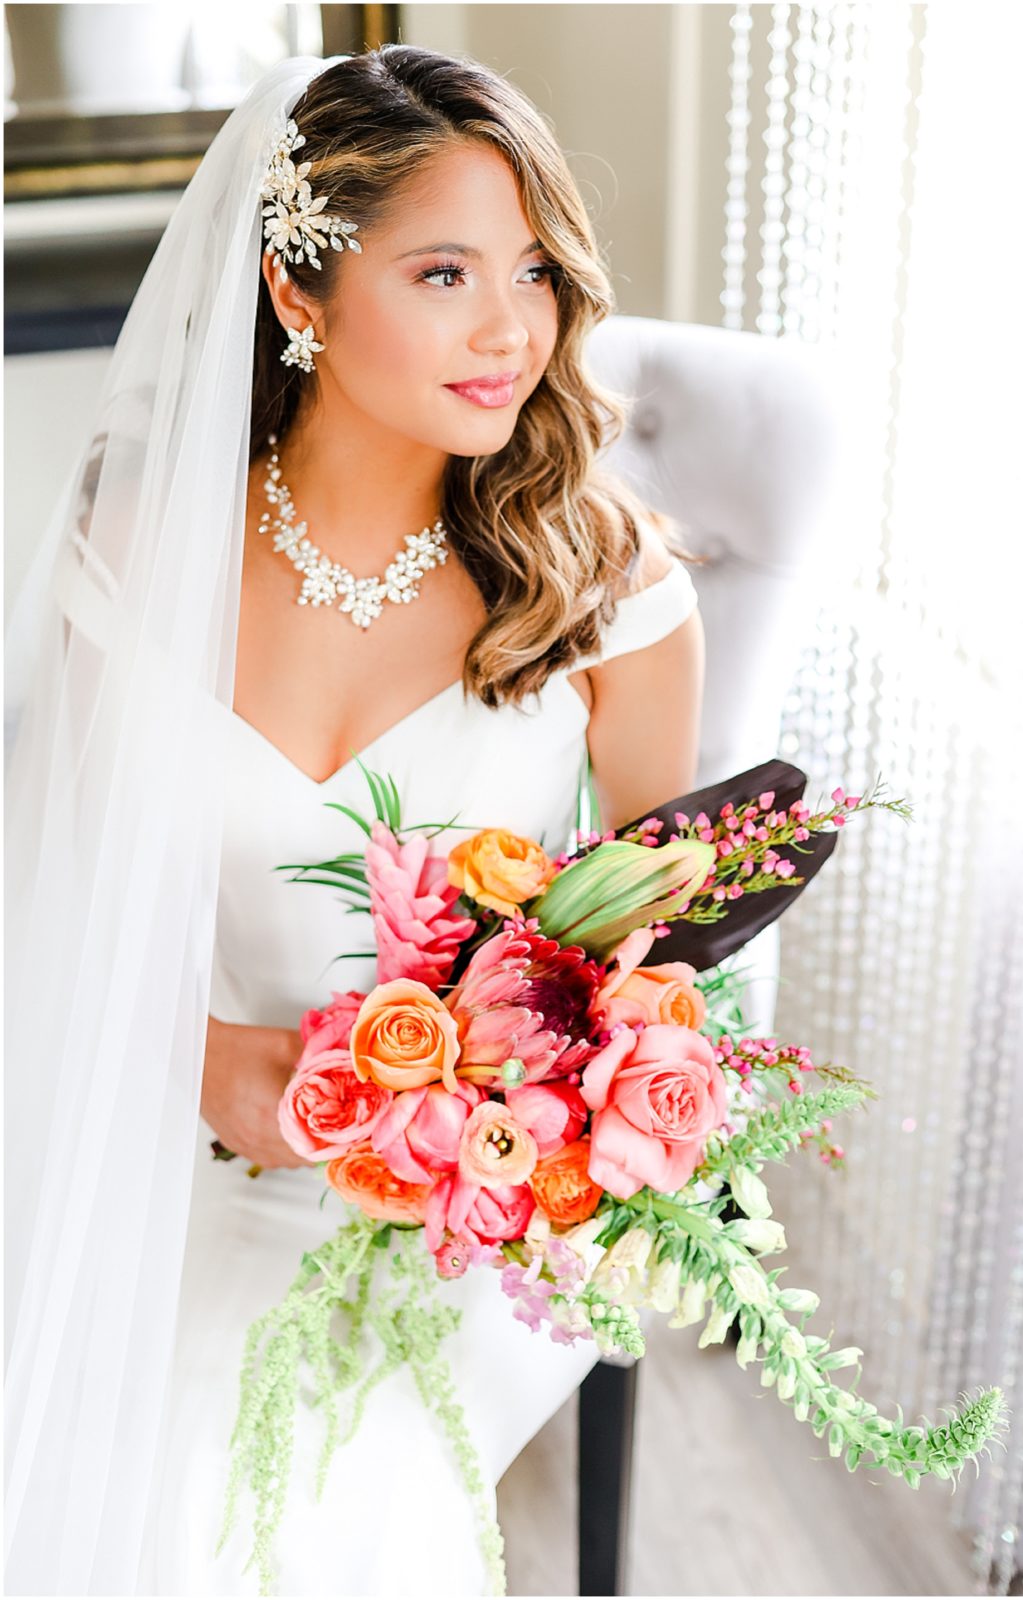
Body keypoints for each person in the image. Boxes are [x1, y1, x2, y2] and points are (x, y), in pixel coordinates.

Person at [4, 45, 703, 1595]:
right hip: (154, 1156)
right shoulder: (130, 551)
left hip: (463, 1228)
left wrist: (506, 1126)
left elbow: (665, 961)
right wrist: (201, 1072)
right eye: (444, 271)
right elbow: (33, 908)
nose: (511, 326)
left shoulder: (605, 590)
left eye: (531, 269)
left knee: (239, 1496)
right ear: (298, 295)